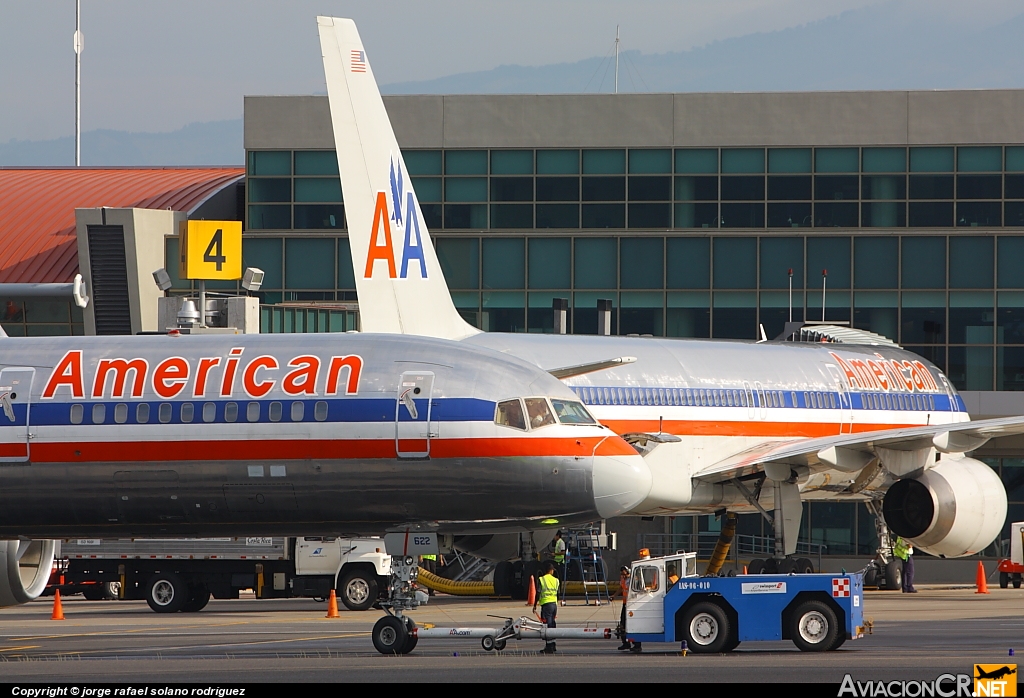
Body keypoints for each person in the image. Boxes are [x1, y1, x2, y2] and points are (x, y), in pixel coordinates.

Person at [533, 561, 560, 653]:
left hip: (546, 605)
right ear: (551, 570)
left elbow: (538, 592)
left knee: (547, 624)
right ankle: (553, 644)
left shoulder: (542, 579)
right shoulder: (556, 580)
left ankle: (549, 646)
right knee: (552, 623)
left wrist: (534, 604)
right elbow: (558, 593)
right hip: (554, 604)